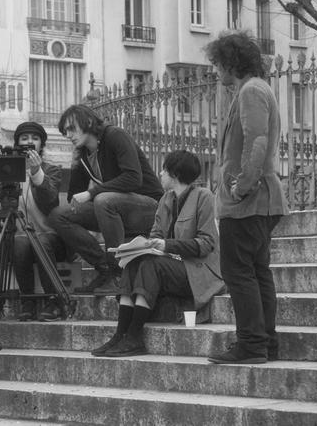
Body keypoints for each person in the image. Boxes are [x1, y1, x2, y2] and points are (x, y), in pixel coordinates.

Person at [204, 31, 289, 365]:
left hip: (249, 202)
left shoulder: (251, 90)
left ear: (230, 62)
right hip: (259, 200)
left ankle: (252, 344)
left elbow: (257, 141)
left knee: (239, 273)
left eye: (216, 64)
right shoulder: (253, 89)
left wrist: (242, 187)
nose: (215, 71)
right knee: (256, 271)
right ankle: (265, 343)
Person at [91, 150, 224, 357]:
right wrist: (143, 247)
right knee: (134, 262)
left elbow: (206, 244)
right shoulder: (165, 200)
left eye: (164, 170)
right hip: (171, 266)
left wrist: (166, 245)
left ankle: (134, 337)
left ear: (175, 175)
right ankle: (120, 335)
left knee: (151, 265)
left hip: (198, 272)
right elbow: (155, 234)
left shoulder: (204, 197)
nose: (160, 174)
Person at [47, 105, 164, 295]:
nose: (68, 135)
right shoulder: (83, 153)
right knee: (59, 215)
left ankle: (118, 274)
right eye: (65, 131)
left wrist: (92, 193)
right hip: (115, 208)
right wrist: (76, 164)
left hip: (149, 207)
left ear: (89, 123)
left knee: (102, 199)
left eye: (72, 128)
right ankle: (104, 268)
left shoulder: (115, 136)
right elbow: (73, 199)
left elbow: (134, 178)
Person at [7, 121, 67, 321]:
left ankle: (53, 300)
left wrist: (36, 172)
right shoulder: (10, 171)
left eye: (35, 138)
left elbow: (50, 201)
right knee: (20, 240)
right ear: (17, 143)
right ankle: (28, 300)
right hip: (21, 237)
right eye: (24, 139)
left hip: (50, 237)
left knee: (39, 241)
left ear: (42, 144)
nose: (29, 142)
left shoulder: (52, 170)